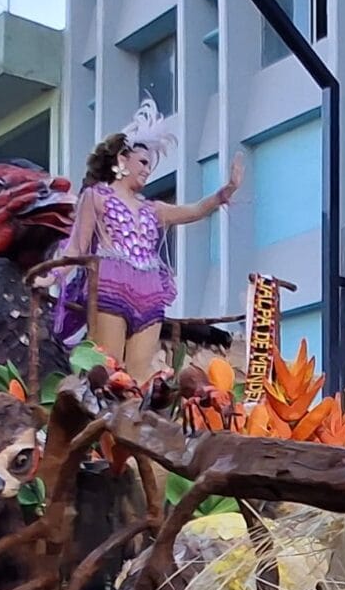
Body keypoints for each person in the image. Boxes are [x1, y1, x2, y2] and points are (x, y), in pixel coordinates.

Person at [54, 99, 240, 380]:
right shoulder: (96, 197)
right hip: (110, 285)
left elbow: (192, 211)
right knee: (108, 368)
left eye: (150, 165)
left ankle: (134, 420)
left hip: (150, 292)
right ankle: (105, 419)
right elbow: (77, 247)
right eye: (142, 161)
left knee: (139, 376)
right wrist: (50, 276)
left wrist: (221, 195)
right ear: (121, 160)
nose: (147, 169)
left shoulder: (153, 209)